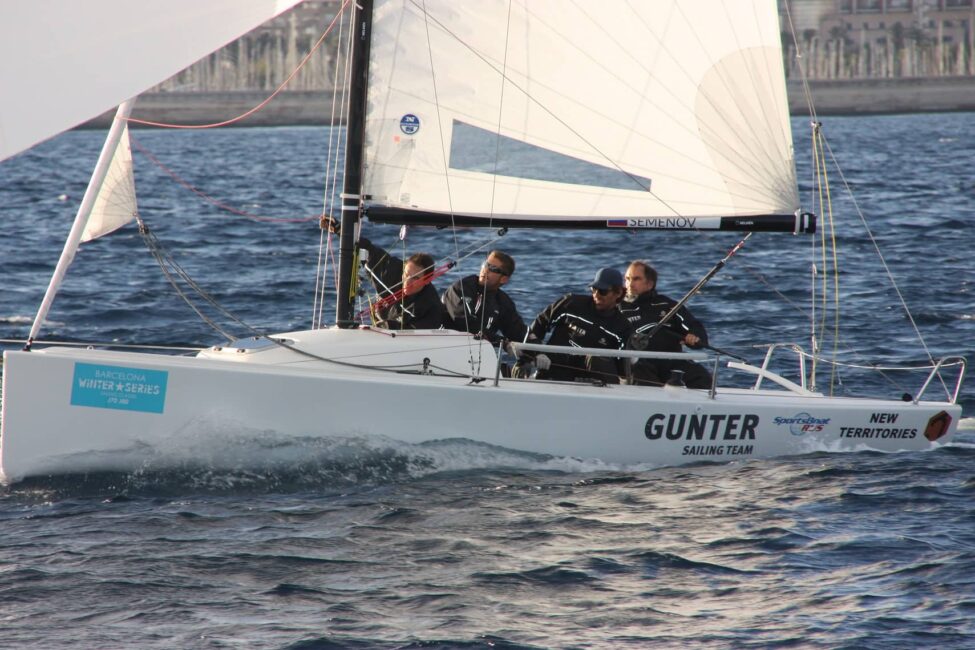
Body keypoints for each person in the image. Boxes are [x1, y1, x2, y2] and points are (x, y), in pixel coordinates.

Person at [515, 267, 632, 383]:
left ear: (618, 293)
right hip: (551, 372)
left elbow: (621, 366)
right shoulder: (570, 304)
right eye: (594, 289)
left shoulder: (622, 327)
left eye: (603, 291)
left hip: (590, 383)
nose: (596, 295)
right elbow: (541, 323)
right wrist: (529, 356)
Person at [620, 260, 712, 388]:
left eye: (636, 279)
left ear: (650, 284)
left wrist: (694, 336)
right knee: (641, 374)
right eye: (627, 279)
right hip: (639, 362)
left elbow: (693, 325)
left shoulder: (667, 305)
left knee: (701, 376)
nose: (630, 284)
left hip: (670, 361)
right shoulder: (619, 308)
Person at [358, 237, 448, 330]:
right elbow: (369, 250)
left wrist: (388, 326)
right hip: (374, 321)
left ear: (427, 280)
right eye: (406, 274)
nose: (407, 282)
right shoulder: (393, 271)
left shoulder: (431, 309)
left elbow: (415, 334)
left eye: (415, 278)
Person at [442, 251, 527, 344]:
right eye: (485, 264)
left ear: (504, 279)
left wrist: (537, 352)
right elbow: (466, 323)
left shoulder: (502, 302)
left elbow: (518, 331)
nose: (486, 270)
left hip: (474, 351)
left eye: (492, 268)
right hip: (441, 344)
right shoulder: (461, 288)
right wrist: (501, 341)